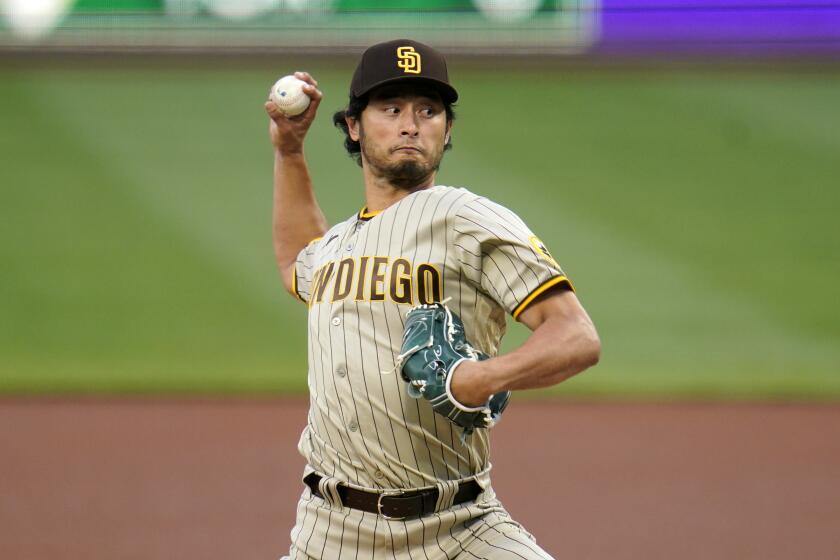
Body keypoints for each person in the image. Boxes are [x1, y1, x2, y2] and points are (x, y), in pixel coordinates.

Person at [265, 39, 600, 560]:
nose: (410, 124)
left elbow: (576, 336)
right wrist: (288, 151)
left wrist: (481, 378)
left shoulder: (467, 218)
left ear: (446, 129)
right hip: (327, 534)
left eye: (428, 110)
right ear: (353, 126)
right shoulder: (337, 245)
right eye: (390, 108)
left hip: (459, 528)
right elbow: (295, 260)